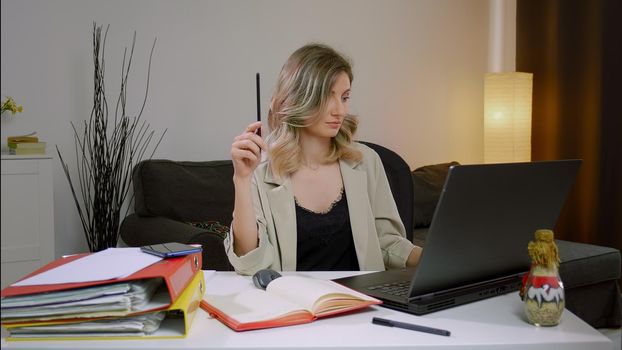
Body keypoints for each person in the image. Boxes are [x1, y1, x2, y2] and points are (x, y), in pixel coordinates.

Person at [226, 43, 422, 275]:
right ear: (300, 97)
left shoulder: (367, 162)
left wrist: (435, 257)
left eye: (345, 97)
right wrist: (242, 179)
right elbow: (250, 261)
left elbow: (388, 244)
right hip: (294, 305)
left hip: (362, 303)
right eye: (328, 97)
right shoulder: (261, 171)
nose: (339, 110)